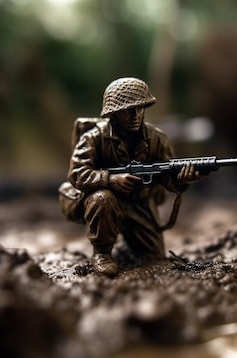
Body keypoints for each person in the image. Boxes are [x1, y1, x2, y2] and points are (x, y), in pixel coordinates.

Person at [68, 77, 204, 276]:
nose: (135, 115)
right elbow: (77, 173)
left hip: (140, 203)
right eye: (127, 110)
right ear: (113, 113)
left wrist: (182, 180)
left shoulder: (157, 138)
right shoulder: (93, 138)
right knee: (102, 198)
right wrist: (110, 180)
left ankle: (128, 241)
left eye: (140, 108)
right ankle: (102, 252)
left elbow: (167, 176)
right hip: (107, 202)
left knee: (154, 256)